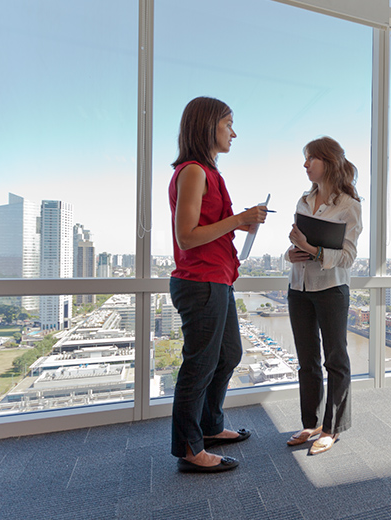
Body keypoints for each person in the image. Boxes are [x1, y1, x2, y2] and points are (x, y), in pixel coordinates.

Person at [168, 96, 268, 473]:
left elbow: (207, 228)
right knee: (199, 366)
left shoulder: (209, 174)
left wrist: (240, 222)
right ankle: (189, 449)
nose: (234, 133)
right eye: (229, 124)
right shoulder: (193, 171)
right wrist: (238, 217)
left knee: (227, 356)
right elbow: (187, 236)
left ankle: (209, 427)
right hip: (201, 282)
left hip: (218, 280)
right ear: (208, 126)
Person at [285, 136, 363, 455]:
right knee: (307, 362)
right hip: (298, 287)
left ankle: (332, 429)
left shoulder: (349, 206)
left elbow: (348, 257)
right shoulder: (303, 201)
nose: (305, 165)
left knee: (336, 360)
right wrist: (291, 254)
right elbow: (294, 247)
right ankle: (311, 422)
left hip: (331, 289)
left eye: (310, 159)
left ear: (328, 162)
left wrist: (311, 249)